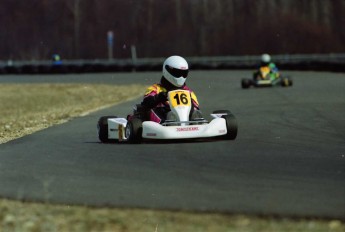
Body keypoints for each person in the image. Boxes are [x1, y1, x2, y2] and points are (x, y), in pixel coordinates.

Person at [140, 55, 202, 123]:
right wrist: (159, 97)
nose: (181, 77)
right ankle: (169, 122)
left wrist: (191, 105)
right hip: (163, 119)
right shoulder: (156, 88)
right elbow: (145, 103)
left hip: (185, 120)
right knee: (155, 110)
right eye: (177, 73)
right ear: (167, 71)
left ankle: (195, 122)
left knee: (195, 113)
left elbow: (196, 107)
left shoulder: (188, 92)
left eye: (184, 74)